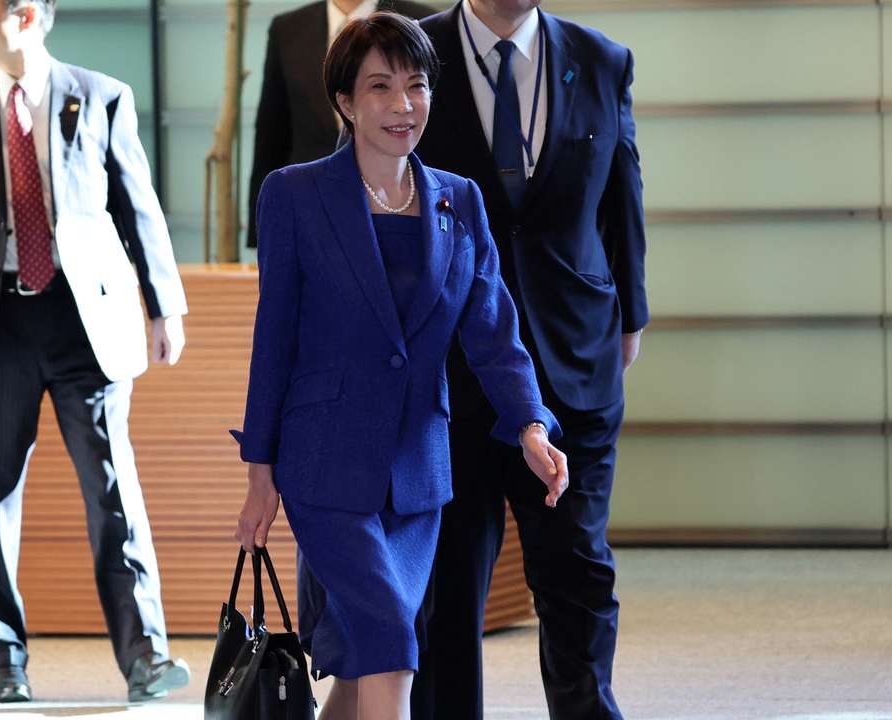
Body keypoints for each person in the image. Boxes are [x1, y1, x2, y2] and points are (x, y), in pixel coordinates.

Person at [234, 12, 569, 719]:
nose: (402, 106)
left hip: (417, 474)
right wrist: (260, 473)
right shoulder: (294, 195)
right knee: (391, 640)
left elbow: (492, 329)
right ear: (347, 103)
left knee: (364, 665)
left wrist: (532, 423)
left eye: (415, 86)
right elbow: (275, 338)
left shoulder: (459, 200)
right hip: (325, 466)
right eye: (380, 88)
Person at [0, 0, 190, 704]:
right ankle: (3, 663)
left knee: (113, 488)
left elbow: (138, 205)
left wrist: (164, 304)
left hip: (83, 322)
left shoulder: (101, 97)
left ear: (28, 14)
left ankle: (147, 654)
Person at [410, 1, 649, 718]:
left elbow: (623, 197)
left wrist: (629, 318)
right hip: (446, 372)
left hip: (574, 360)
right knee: (447, 590)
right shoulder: (410, 53)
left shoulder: (602, 59)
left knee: (577, 575)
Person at [247, 0, 433, 248]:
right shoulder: (287, 28)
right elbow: (271, 135)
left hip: (411, 205)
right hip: (310, 213)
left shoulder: (423, 21)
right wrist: (263, 235)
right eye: (379, 85)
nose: (402, 104)